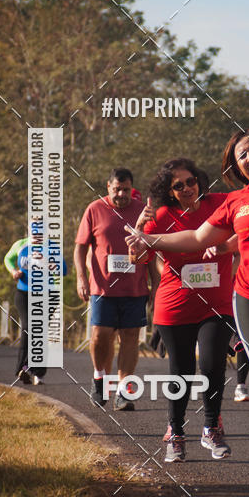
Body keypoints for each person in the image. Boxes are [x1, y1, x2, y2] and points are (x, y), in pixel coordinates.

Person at [126, 130, 249, 488]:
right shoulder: (235, 201)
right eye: (242, 155)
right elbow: (199, 238)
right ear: (237, 168)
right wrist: (147, 237)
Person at [135, 158, 235, 462]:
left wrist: (227, 245)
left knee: (211, 362)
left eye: (191, 181)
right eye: (178, 186)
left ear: (199, 181)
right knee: (181, 371)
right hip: (175, 304)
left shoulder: (220, 203)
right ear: (169, 191)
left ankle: (211, 427)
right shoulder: (161, 216)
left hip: (216, 303)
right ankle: (175, 431)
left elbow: (247, 224)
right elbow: (138, 258)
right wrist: (140, 227)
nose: (187, 188)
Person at [74, 167, 158, 410]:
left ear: (132, 188)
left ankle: (124, 390)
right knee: (101, 336)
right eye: (117, 189)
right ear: (108, 187)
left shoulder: (142, 211)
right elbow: (80, 247)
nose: (121, 194)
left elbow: (151, 251)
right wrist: (81, 278)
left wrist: (155, 285)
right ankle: (100, 377)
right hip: (102, 288)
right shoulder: (95, 209)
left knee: (130, 337)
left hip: (135, 288)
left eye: (126, 189)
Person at [4, 229, 66, 385]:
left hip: (47, 294)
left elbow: (63, 270)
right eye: (34, 233)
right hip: (24, 293)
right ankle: (23, 369)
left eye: (40, 233)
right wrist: (13, 271)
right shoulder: (21, 245)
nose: (37, 237)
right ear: (29, 232)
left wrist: (48, 263)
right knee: (28, 327)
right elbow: (8, 258)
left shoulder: (51, 247)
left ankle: (37, 373)